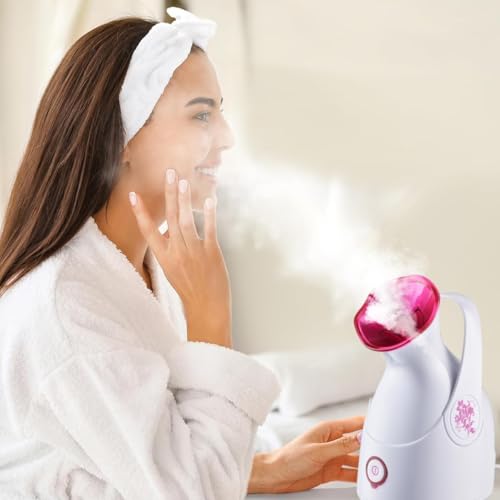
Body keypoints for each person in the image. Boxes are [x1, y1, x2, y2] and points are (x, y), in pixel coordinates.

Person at [0, 7, 364, 499]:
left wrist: (261, 469)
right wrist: (210, 317)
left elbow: (133, 455)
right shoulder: (67, 310)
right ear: (121, 137)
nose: (226, 137)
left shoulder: (138, 265)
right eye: (201, 115)